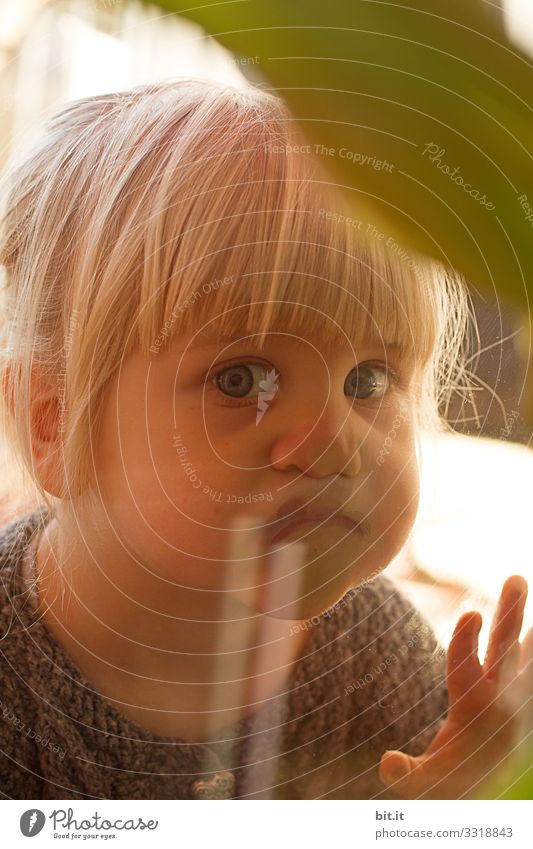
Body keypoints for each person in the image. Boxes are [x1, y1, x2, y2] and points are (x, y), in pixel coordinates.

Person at [0, 79, 530, 800]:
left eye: (368, 382)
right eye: (242, 379)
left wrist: (459, 798)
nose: (332, 443)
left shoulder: (370, 652)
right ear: (53, 421)